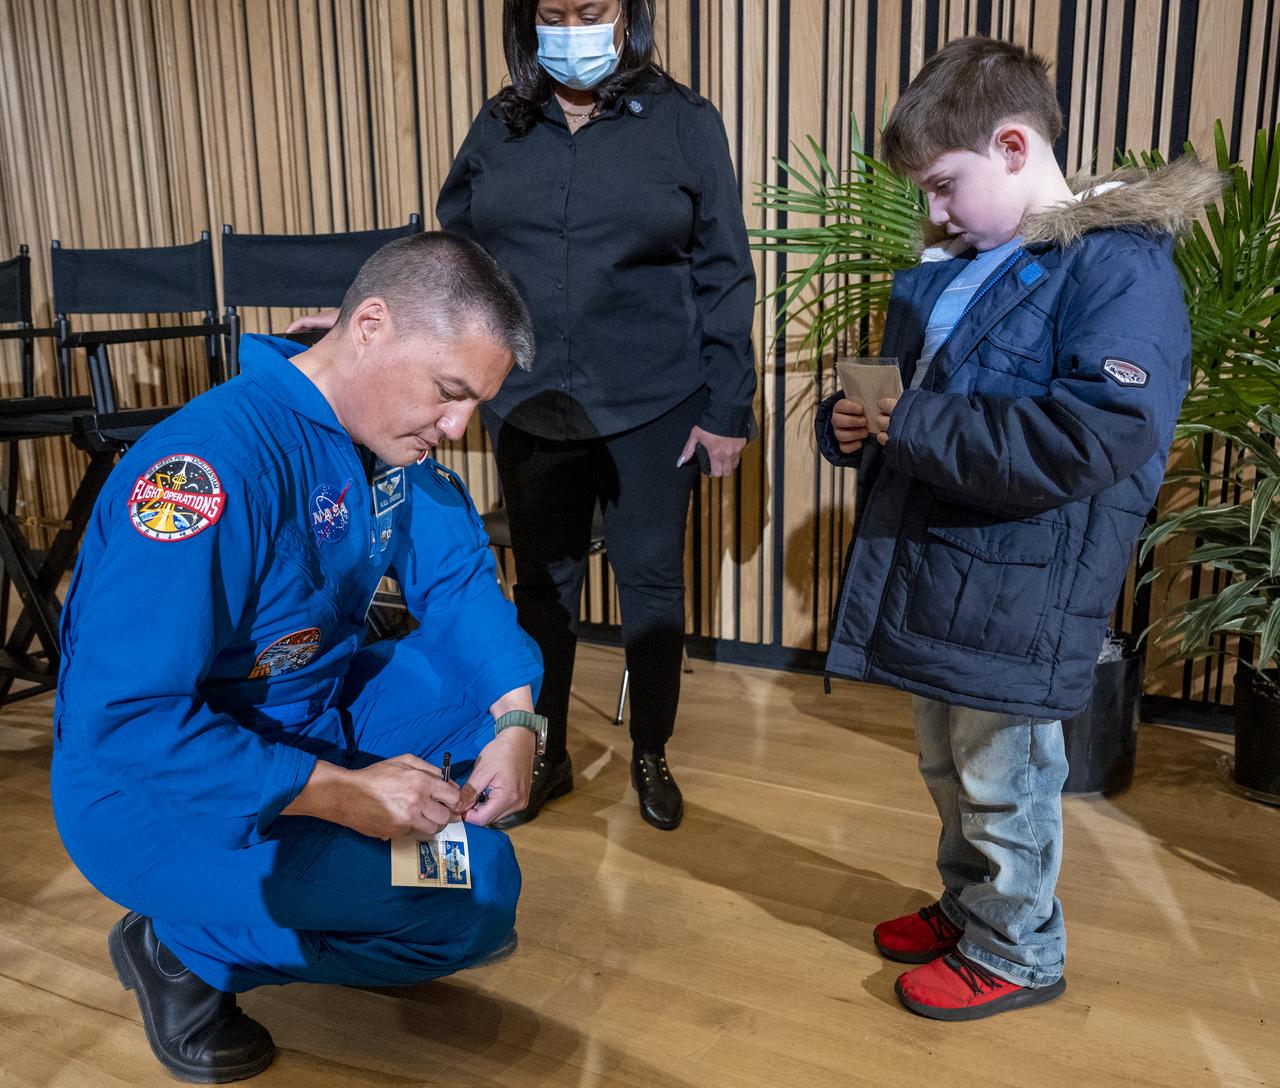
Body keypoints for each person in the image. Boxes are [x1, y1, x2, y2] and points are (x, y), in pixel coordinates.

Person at [51, 232, 547, 1083]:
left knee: (489, 691)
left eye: (476, 405)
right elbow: (128, 722)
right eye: (450, 393)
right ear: (371, 328)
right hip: (152, 793)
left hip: (303, 722)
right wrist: (342, 796)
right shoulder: (202, 468)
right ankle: (183, 944)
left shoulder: (388, 439)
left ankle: (312, 877)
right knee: (475, 890)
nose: (460, 428)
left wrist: (517, 722)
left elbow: (461, 585)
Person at [814, 37, 1220, 1020]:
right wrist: (857, 426)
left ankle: (1017, 946)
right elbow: (915, 402)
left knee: (1006, 780)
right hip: (939, 570)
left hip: (1019, 586)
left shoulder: (1115, 270)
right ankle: (968, 904)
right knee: (945, 767)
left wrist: (901, 419)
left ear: (1009, 145)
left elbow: (1093, 432)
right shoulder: (959, 265)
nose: (933, 211)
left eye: (943, 185)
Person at [294, 0, 758, 831]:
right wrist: (361, 326)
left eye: (592, 9)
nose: (572, 26)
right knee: (542, 587)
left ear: (627, 14)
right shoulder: (499, 123)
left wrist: (730, 404)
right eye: (554, 11)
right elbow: (450, 260)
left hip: (656, 395)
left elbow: (726, 271)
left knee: (651, 584)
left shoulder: (685, 123)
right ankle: (542, 750)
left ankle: (651, 749)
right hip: (533, 402)